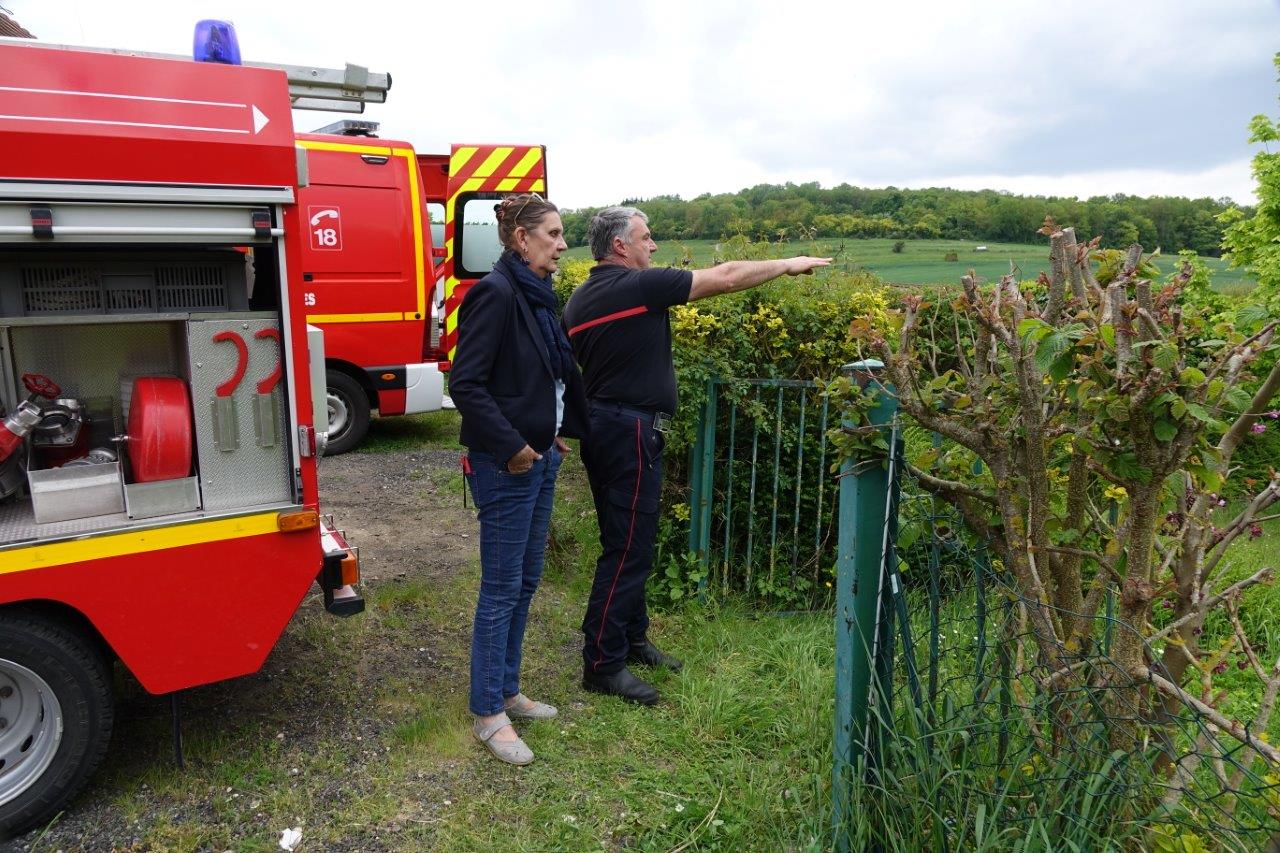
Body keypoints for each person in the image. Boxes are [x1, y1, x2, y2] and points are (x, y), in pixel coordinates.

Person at [564, 206, 830, 705]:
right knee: (628, 549)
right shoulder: (637, 287)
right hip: (629, 432)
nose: (654, 246)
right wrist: (789, 263)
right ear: (620, 245)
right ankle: (602, 662)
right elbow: (726, 277)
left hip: (603, 429)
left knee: (624, 539)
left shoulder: (580, 298)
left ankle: (632, 638)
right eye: (647, 237)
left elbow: (567, 369)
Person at [450, 193, 588, 764]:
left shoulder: (535, 296)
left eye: (561, 234)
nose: (561, 244)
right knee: (502, 588)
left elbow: (539, 377)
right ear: (520, 239)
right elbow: (467, 385)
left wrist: (549, 430)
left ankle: (507, 689)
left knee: (526, 581)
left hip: (540, 455)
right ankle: (488, 713)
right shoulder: (496, 294)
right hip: (508, 463)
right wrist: (513, 445)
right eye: (552, 234)